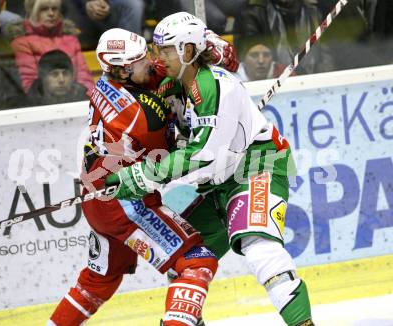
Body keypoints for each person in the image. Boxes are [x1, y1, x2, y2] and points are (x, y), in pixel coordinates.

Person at [104, 12, 314, 326]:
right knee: (187, 261)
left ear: (187, 51)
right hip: (219, 181)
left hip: (257, 164)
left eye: (166, 50)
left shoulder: (215, 87)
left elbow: (204, 155)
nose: (159, 58)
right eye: (157, 49)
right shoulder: (180, 79)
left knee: (259, 248)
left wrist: (142, 175)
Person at [47, 28, 219, 326]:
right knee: (196, 261)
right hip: (125, 202)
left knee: (98, 281)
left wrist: (213, 49)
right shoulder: (141, 117)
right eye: (141, 60)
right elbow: (170, 164)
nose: (151, 62)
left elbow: (160, 74)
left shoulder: (109, 83)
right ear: (123, 70)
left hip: (98, 198)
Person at [6, 0, 93, 95]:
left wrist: (90, 101)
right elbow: (29, 83)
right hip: (44, 103)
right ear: (32, 11)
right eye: (44, 9)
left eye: (54, 9)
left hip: (75, 99)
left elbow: (84, 77)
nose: (51, 13)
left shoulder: (71, 40)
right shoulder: (22, 43)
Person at [235, 0, 334, 75]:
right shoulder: (252, 12)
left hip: (318, 80)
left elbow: (329, 53)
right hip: (275, 83)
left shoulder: (316, 8)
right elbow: (253, 62)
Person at [62, 0, 144, 50]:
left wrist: (104, 1)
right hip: (77, 7)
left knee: (134, 4)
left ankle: (130, 57)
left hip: (111, 6)